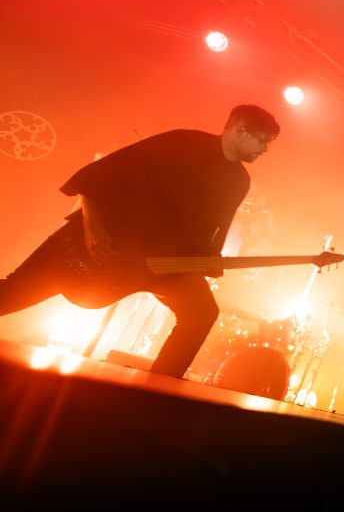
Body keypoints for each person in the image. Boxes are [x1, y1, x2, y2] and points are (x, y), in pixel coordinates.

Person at [0, 105, 280, 378]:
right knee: (12, 294)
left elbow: (213, 233)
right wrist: (92, 228)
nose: (265, 149)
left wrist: (210, 260)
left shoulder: (238, 181)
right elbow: (101, 173)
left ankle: (160, 390)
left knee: (202, 314)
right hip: (99, 243)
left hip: (159, 263)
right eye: (263, 140)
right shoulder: (182, 141)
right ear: (240, 129)